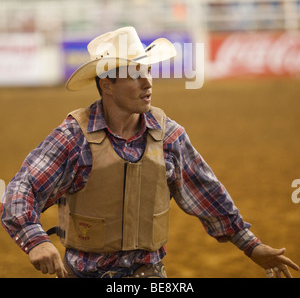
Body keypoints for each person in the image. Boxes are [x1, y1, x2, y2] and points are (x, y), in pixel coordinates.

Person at [1, 27, 299, 278]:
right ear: (108, 84)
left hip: (150, 275)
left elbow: (207, 193)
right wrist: (35, 239)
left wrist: (251, 244)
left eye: (148, 71)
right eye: (135, 75)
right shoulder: (74, 137)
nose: (148, 82)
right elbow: (21, 189)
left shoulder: (169, 136)